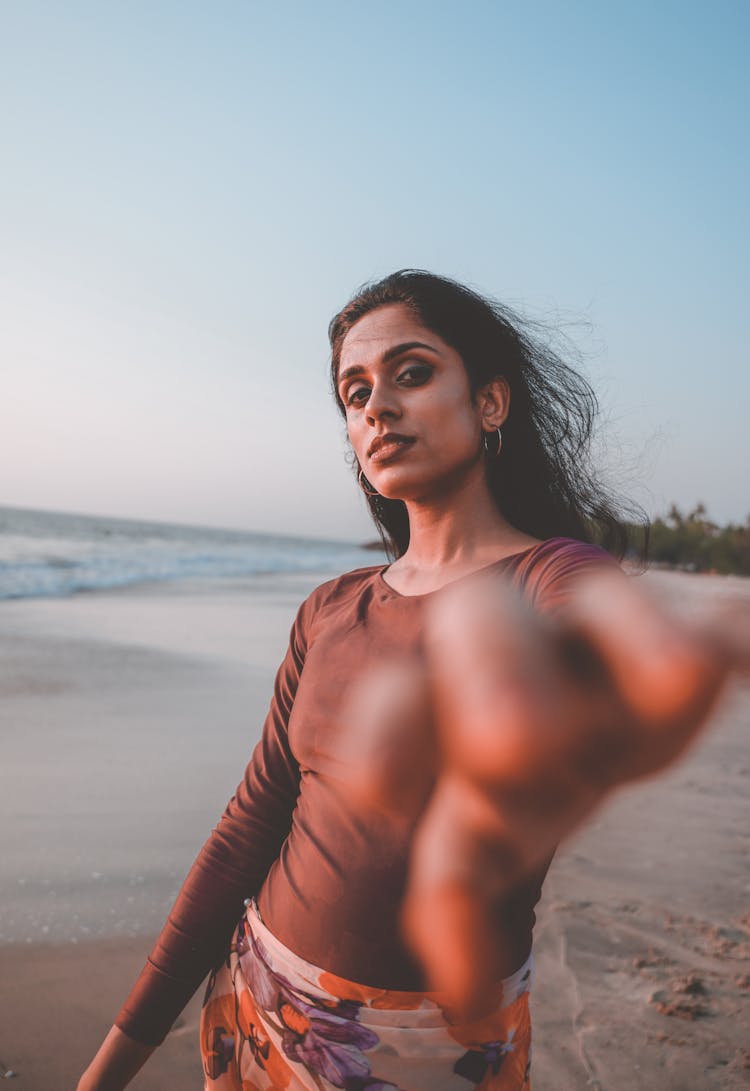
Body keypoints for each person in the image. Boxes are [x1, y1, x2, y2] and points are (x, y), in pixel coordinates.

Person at [77, 271, 748, 1091]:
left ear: (491, 402)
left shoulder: (551, 573)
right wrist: (110, 1065)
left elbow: (595, 629)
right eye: (354, 393)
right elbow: (246, 831)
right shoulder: (330, 609)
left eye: (412, 372)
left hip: (441, 1054)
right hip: (262, 1009)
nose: (376, 408)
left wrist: (605, 679)